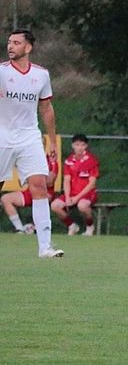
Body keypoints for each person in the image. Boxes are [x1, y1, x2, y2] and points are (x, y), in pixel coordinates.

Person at [0, 29, 63, 257]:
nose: (11, 46)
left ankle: (45, 247)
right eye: (9, 42)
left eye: (16, 43)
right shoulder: (2, 72)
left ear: (28, 48)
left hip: (29, 137)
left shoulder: (41, 75)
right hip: (3, 136)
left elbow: (46, 108)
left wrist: (53, 140)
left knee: (39, 186)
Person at [51, 133, 100, 236]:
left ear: (86, 146)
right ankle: (72, 226)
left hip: (87, 194)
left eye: (82, 145)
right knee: (55, 205)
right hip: (72, 193)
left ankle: (90, 226)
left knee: (82, 206)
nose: (79, 148)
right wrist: (68, 197)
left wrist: (77, 198)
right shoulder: (69, 161)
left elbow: (92, 184)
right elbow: (66, 180)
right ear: (73, 145)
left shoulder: (91, 160)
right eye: (77, 145)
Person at [3, 149, 57, 234]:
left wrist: (31, 179)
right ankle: (20, 229)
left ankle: (42, 230)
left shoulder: (50, 161)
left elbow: (50, 182)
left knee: (41, 200)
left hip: (44, 193)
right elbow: (22, 181)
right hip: (30, 191)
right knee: (5, 199)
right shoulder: (28, 159)